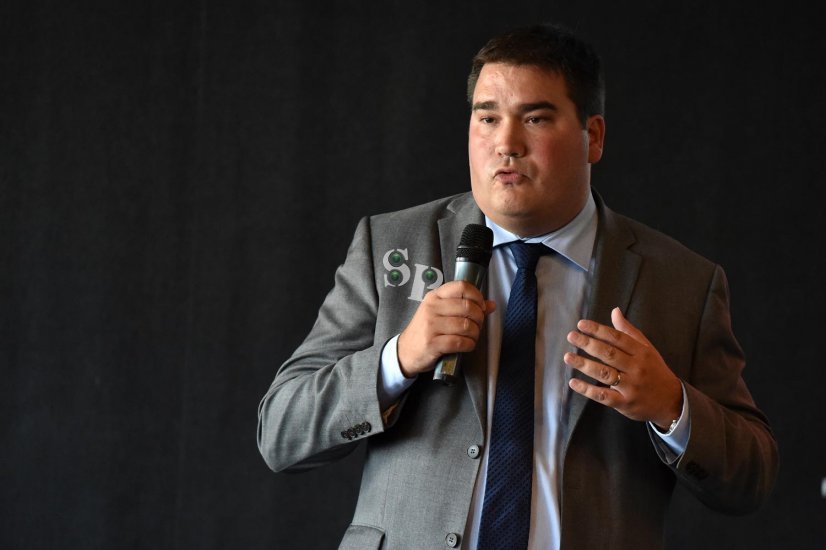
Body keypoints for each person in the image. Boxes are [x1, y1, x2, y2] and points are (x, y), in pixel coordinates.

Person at [257, 23, 778, 550]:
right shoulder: (390, 245)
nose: (506, 144)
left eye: (535, 118)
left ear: (593, 136)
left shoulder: (682, 282)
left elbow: (751, 478)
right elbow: (281, 433)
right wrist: (398, 359)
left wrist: (671, 404)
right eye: (487, 118)